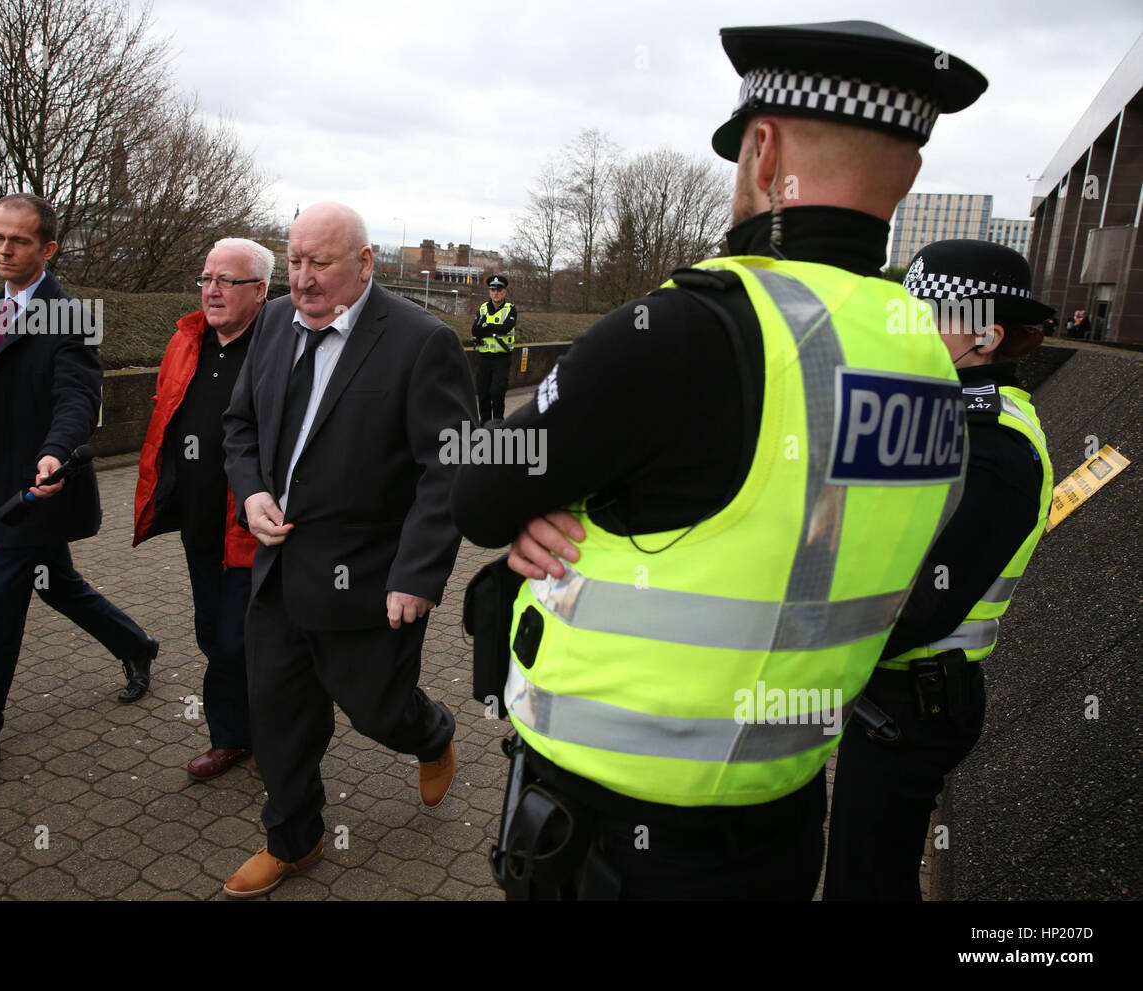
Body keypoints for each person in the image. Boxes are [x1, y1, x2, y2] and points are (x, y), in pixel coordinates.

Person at [451, 19, 988, 900]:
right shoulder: (928, 359)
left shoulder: (689, 329)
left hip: (610, 829)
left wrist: (557, 510)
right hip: (780, 817)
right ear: (912, 174)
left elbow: (479, 495)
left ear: (763, 152)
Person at [219, 202, 477, 897]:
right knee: (278, 717)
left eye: (320, 263)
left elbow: (447, 469)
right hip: (277, 576)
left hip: (369, 584)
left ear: (364, 263)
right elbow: (240, 424)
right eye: (294, 261)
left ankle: (431, 733)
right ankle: (293, 839)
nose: (301, 279)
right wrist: (250, 494)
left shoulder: (421, 343)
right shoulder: (272, 322)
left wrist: (418, 574)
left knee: (377, 711)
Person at [0, 194, 159, 796]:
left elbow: (78, 394)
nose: (2, 249)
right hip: (5, 485)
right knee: (58, 584)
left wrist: (58, 450)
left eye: (17, 241)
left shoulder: (68, 314)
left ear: (47, 249)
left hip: (43, 488)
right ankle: (137, 643)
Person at [823, 239, 1054, 900]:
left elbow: (923, 603)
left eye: (928, 312)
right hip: (890, 689)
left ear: (986, 333)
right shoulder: (943, 416)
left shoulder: (998, 445)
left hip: (914, 701)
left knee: (865, 884)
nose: (906, 325)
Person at [133, 238, 269, 781]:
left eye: (226, 281)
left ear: (259, 291)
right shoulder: (184, 341)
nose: (212, 290)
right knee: (213, 632)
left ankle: (277, 734)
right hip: (199, 518)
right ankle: (232, 737)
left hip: (254, 524)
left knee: (247, 637)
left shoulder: (280, 349)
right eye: (207, 278)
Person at [471, 274, 516, 424]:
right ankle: (484, 425)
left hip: (502, 358)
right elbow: (475, 330)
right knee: (483, 394)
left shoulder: (510, 309)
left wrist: (486, 327)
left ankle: (497, 424)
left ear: (505, 292)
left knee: (497, 392)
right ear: (489, 292)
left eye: (499, 289)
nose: (496, 292)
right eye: (493, 290)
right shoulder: (483, 308)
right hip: (485, 357)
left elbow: (505, 328)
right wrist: (493, 331)